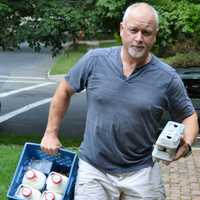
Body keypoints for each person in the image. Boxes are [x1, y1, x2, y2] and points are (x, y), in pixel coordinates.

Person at [40, 2, 199, 200]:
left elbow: (189, 116)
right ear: (122, 29)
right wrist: (50, 133)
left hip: (142, 171)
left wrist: (186, 143)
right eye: (133, 30)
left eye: (146, 32)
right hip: (94, 170)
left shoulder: (167, 77)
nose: (139, 38)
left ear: (155, 35)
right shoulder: (95, 60)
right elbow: (64, 90)